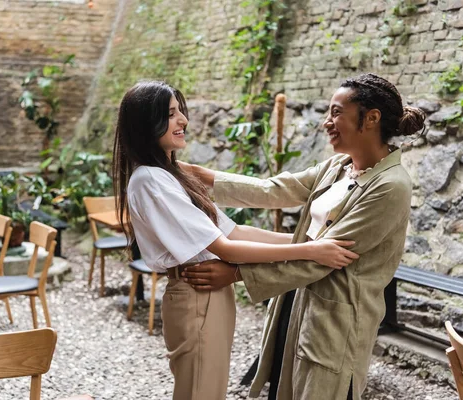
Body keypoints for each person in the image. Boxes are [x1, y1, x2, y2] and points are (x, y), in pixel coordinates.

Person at [180, 73, 426, 400]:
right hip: (295, 301)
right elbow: (274, 190)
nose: (327, 122)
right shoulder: (338, 166)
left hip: (337, 318)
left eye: (337, 112)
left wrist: (237, 273)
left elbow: (325, 259)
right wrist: (197, 175)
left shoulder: (390, 186)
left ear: (371, 118)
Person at [111, 80, 359, 400]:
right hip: (196, 291)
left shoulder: (168, 175)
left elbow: (235, 232)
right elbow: (225, 248)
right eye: (171, 114)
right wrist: (310, 250)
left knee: (206, 389)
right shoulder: (150, 180)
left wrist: (307, 240)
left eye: (180, 112)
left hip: (208, 293)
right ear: (147, 124)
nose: (183, 120)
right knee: (201, 392)